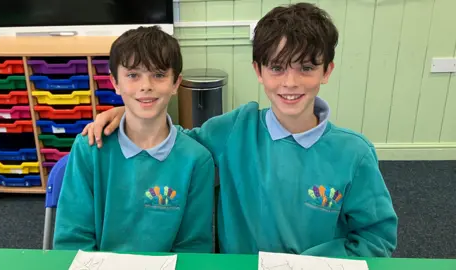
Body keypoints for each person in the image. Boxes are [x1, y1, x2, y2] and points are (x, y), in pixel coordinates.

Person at [81, 3, 398, 257]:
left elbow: (377, 237)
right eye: (276, 67)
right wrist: (134, 109)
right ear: (258, 71)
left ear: (326, 71)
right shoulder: (233, 130)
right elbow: (173, 144)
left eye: (306, 67)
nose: (290, 82)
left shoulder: (354, 153)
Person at [53, 26, 215, 253]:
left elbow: (194, 247)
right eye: (133, 75)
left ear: (176, 84)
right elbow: (72, 240)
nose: (146, 86)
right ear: (115, 83)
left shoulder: (197, 160)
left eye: (158, 75)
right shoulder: (89, 148)